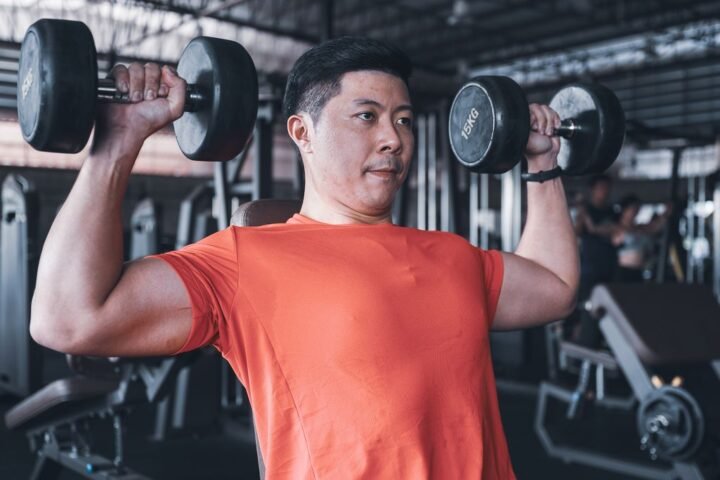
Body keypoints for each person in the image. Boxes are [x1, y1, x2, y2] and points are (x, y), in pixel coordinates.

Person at [30, 37, 578, 479]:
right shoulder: (244, 262)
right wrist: (118, 144)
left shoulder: (452, 254)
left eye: (405, 120)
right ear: (302, 132)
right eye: (367, 116)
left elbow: (554, 285)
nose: (394, 138)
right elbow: (68, 319)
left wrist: (544, 165)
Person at [613, 194, 672, 282]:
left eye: (637, 209)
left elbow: (655, 226)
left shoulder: (640, 228)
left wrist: (666, 213)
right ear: (625, 210)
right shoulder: (616, 228)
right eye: (633, 208)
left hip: (638, 271)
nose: (635, 212)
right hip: (623, 272)